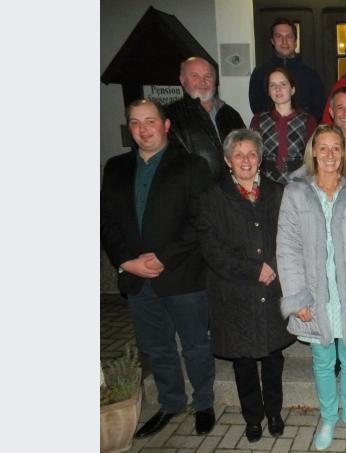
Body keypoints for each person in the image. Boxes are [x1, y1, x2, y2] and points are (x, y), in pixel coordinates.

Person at [101, 99, 216, 438]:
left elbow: (200, 220)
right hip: (137, 277)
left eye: (150, 121)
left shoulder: (192, 165)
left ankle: (204, 403)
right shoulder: (116, 167)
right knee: (157, 347)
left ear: (166, 125)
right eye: (136, 122)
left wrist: (164, 257)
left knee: (195, 345)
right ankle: (170, 403)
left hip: (182, 274)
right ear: (130, 129)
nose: (144, 129)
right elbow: (106, 220)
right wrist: (125, 261)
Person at [277, 124, 346, 450]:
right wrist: (298, 297)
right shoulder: (296, 192)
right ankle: (328, 418)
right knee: (322, 361)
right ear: (314, 152)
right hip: (314, 294)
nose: (330, 154)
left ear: (344, 152)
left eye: (336, 147)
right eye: (323, 147)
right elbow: (287, 247)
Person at [197, 129, 296, 443]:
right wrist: (254, 269)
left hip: (271, 289)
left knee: (273, 358)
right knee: (243, 361)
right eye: (238, 155)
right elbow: (211, 248)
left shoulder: (277, 192)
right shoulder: (212, 196)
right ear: (227, 160)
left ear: (260, 158)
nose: (245, 160)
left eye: (252, 154)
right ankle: (253, 418)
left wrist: (274, 267)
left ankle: (274, 413)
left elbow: (291, 237)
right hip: (234, 291)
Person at [166, 56, 246, 180]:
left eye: (207, 76)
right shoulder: (170, 115)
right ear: (182, 80)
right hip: (193, 189)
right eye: (195, 76)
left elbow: (246, 150)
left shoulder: (230, 114)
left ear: (215, 81)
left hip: (231, 187)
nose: (202, 81)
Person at [250, 67, 317, 185]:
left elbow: (314, 158)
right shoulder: (258, 120)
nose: (278, 89)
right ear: (268, 92)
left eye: (283, 84)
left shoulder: (308, 121)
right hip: (266, 184)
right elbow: (252, 154)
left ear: (292, 89)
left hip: (299, 183)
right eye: (272, 85)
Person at [249, 18, 326, 119]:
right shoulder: (259, 73)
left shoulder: (311, 75)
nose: (284, 41)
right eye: (279, 36)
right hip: (269, 128)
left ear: (295, 41)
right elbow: (257, 108)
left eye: (289, 36)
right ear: (272, 41)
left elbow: (318, 109)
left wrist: (300, 123)